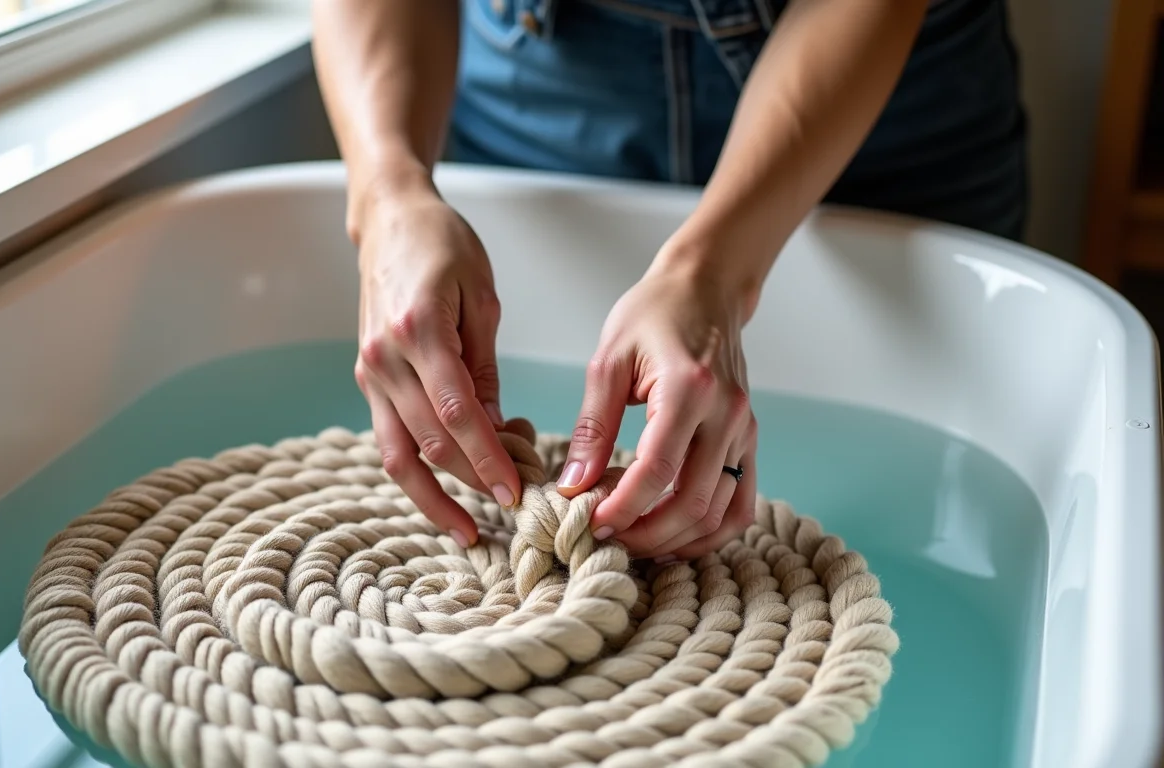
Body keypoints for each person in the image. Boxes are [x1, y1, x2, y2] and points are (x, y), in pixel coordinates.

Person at [309, 0, 1028, 561]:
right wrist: (388, 194)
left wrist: (714, 273)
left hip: (872, 115)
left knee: (923, 516)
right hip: (540, 103)